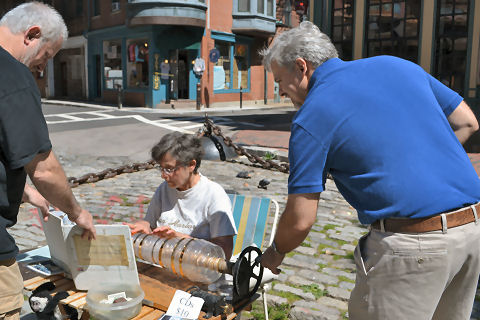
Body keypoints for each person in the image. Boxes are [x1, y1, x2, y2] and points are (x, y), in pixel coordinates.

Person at [259, 21, 480, 320]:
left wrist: (273, 256)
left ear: (301, 67)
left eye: (279, 80)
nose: (280, 90)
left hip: (413, 245)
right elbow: (467, 122)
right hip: (472, 231)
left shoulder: (312, 115)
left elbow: (300, 220)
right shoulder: (397, 65)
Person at [0, 3, 96, 319]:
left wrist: (25, 192)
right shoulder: (10, 74)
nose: (40, 69)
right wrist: (77, 212)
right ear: (32, 35)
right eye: (46, 57)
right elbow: (43, 167)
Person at [126, 132, 237, 260]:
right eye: (161, 168)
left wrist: (179, 239)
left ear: (191, 165)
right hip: (164, 264)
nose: (163, 175)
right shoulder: (164, 189)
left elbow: (225, 252)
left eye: (169, 169)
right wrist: (142, 226)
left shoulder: (214, 195)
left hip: (198, 270)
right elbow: (149, 224)